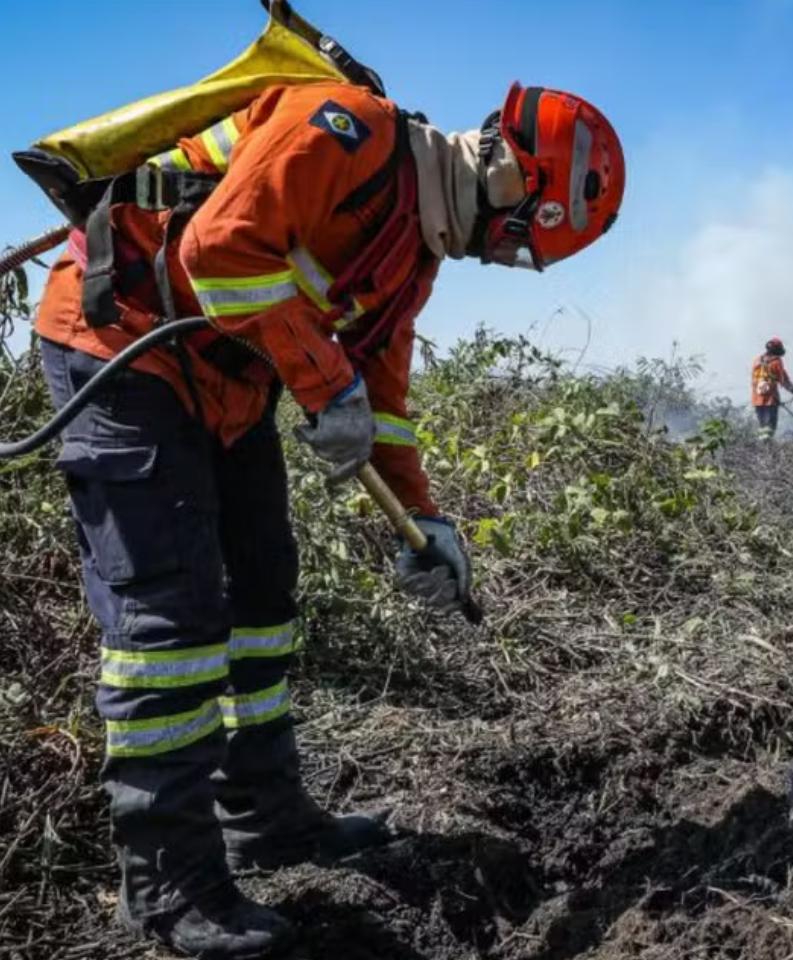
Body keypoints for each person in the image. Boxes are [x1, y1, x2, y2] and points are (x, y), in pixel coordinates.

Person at [33, 79, 623, 958]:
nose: (502, 260)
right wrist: (322, 382)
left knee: (264, 595)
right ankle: (168, 883)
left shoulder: (412, 258)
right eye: (517, 240)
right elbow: (218, 252)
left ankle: (264, 815)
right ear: (512, 176)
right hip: (122, 346)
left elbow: (381, 404)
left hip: (226, 381)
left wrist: (425, 522)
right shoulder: (347, 129)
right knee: (170, 621)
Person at [750, 336, 793, 440]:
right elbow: (784, 381)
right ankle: (767, 446)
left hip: (756, 399)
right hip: (770, 400)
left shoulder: (757, 360)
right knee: (770, 427)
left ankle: (763, 445)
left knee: (763, 426)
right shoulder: (777, 362)